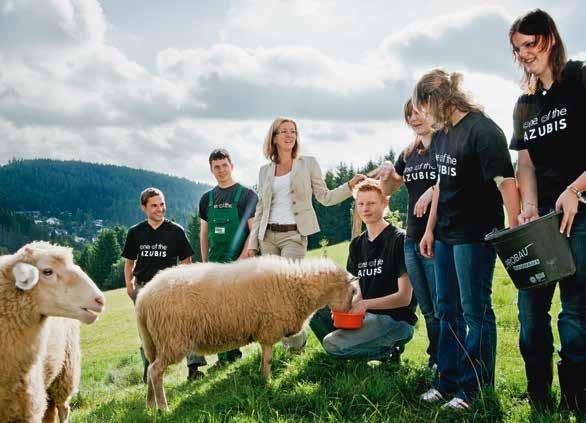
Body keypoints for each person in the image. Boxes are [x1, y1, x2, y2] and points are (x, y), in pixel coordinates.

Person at [414, 70, 520, 409]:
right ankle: (447, 381)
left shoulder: (484, 131)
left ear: (437, 101)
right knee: (448, 310)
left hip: (475, 235)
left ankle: (474, 390)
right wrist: (430, 230)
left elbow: (506, 183)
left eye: (423, 107)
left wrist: (516, 228)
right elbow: (442, 186)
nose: (423, 116)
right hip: (444, 233)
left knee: (475, 312)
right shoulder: (444, 134)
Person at [509, 9, 586, 413]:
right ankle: (539, 399)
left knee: (575, 316)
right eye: (518, 48)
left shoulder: (579, 78)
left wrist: (575, 188)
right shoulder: (524, 104)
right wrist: (530, 206)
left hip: (582, 214)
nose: (524, 54)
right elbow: (525, 163)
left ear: (550, 39)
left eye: (530, 44)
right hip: (542, 224)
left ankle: (576, 401)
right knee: (530, 315)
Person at [247, 117, 365, 352]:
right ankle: (279, 343)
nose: (289, 135)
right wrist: (253, 244)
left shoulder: (308, 163)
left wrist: (349, 187)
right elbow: (261, 208)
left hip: (294, 235)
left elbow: (325, 197)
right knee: (272, 294)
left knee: (288, 291)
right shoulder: (265, 171)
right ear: (274, 137)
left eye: (293, 131)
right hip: (267, 236)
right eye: (284, 131)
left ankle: (296, 344)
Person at [309, 178, 416, 361]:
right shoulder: (357, 244)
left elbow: (404, 298)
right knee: (314, 308)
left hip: (395, 320)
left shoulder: (399, 240)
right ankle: (359, 344)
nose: (365, 208)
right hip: (367, 316)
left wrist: (365, 305)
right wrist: (351, 306)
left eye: (372, 203)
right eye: (361, 203)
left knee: (331, 344)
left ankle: (387, 353)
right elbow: (358, 289)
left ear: (384, 203)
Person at [376, 99, 439, 369]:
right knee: (426, 307)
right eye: (409, 115)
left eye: (419, 112)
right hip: (412, 238)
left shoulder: (444, 145)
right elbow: (388, 190)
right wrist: (389, 171)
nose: (414, 118)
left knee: (442, 305)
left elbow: (456, 179)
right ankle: (436, 358)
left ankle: (448, 361)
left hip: (438, 235)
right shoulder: (409, 151)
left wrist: (433, 189)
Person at [121, 187, 203, 382]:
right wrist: (129, 285)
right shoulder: (135, 232)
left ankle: (194, 368)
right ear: (144, 208)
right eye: (154, 206)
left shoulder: (176, 231)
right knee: (147, 333)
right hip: (143, 289)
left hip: (170, 289)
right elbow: (129, 262)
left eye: (162, 204)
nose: (160, 209)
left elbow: (186, 262)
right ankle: (149, 372)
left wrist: (184, 287)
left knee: (185, 326)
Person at [191, 148, 258, 370]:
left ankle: (235, 355)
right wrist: (204, 263)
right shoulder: (206, 199)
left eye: (224, 165)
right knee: (216, 312)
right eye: (216, 167)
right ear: (211, 170)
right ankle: (223, 358)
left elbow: (252, 232)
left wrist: (241, 260)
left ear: (232, 166)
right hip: (214, 263)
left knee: (234, 310)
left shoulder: (247, 195)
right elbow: (204, 234)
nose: (221, 170)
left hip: (238, 263)